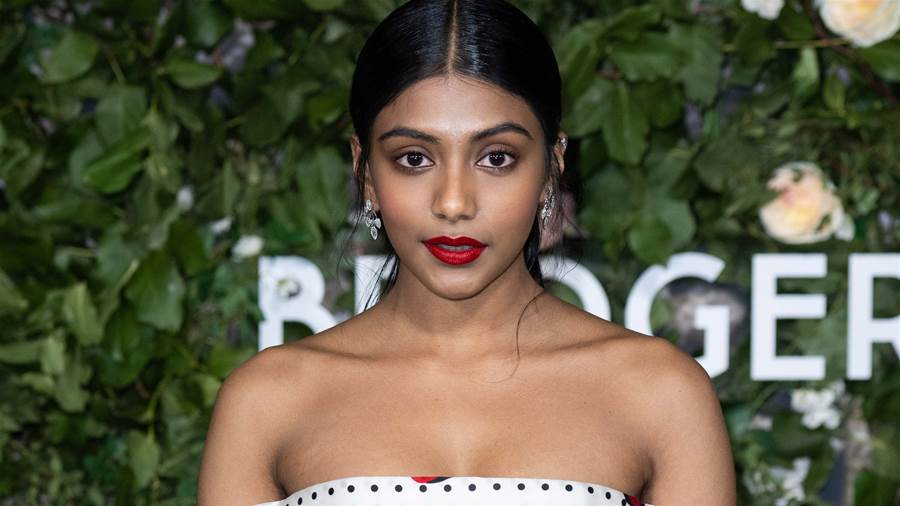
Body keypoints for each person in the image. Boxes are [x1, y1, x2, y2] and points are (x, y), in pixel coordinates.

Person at [197, 0, 736, 504]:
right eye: (414, 158)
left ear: (552, 165)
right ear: (365, 171)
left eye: (496, 157)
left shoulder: (660, 394)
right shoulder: (268, 401)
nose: (454, 203)